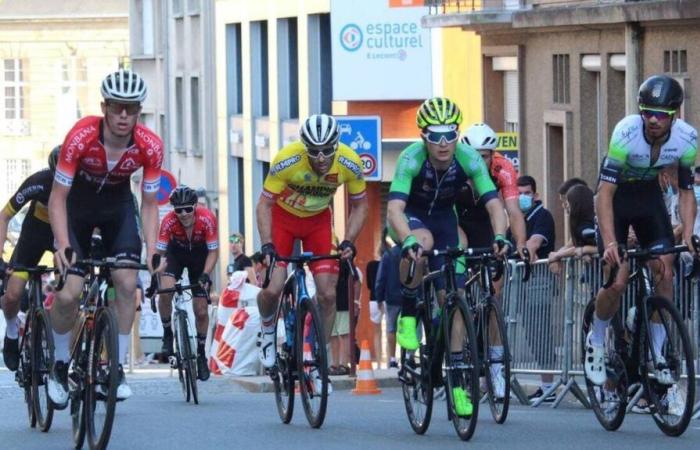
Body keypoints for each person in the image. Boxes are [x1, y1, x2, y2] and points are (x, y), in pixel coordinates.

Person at [47, 69, 164, 406]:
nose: (124, 116)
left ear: (139, 111)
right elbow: (57, 197)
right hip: (78, 207)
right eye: (116, 107)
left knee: (127, 284)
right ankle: (57, 364)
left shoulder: (150, 146)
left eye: (131, 108)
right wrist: (62, 244)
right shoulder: (81, 136)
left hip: (118, 208)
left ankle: (114, 366)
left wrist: (154, 249)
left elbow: (150, 202)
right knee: (69, 293)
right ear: (104, 107)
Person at [387, 97, 509, 416]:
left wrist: (500, 236)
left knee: (455, 301)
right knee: (422, 243)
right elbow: (394, 209)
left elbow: (494, 204)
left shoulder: (469, 158)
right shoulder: (410, 159)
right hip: (412, 217)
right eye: (435, 135)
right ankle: (410, 313)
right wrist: (408, 239)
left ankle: (458, 386)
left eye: (450, 134)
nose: (443, 143)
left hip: (445, 221)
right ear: (423, 136)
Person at [586, 75, 697, 387]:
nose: (652, 120)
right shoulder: (626, 132)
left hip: (648, 196)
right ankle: (595, 339)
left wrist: (688, 234)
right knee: (617, 280)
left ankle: (658, 351)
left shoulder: (687, 139)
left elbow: (687, 191)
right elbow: (603, 194)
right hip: (617, 197)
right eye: (646, 112)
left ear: (675, 114)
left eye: (660, 115)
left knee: (666, 272)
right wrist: (609, 241)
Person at [255, 113, 368, 392]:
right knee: (272, 289)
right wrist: (268, 243)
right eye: (313, 152)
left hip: (318, 223)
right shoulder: (287, 159)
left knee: (328, 294)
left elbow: (361, 205)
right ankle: (268, 331)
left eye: (327, 151)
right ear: (304, 148)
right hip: (283, 220)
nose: (320, 158)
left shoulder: (349, 162)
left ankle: (319, 357)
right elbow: (264, 206)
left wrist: (349, 241)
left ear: (337, 145)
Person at [0, 147, 60, 370]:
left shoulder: (81, 185)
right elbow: (4, 216)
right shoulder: (38, 182)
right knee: (13, 293)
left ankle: (55, 338)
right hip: (32, 237)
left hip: (60, 237)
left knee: (67, 290)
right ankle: (12, 332)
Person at [156, 186, 219, 381]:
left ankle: (201, 354)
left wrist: (206, 275)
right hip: (175, 254)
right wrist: (154, 276)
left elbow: (213, 252)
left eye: (188, 209)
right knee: (165, 290)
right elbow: (159, 253)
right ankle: (167, 332)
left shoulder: (207, 218)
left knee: (201, 310)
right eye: (178, 210)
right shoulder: (168, 222)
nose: (183, 214)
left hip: (199, 257)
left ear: (195, 206)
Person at [510, 175, 557, 402]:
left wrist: (527, 250)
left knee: (541, 332)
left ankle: (549, 386)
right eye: (518, 193)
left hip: (538, 280)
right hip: (519, 281)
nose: (522, 197)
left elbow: (534, 243)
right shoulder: (514, 218)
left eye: (527, 193)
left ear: (535, 195)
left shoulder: (542, 216)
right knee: (527, 332)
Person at [548, 184, 598, 274]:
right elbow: (572, 246)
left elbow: (603, 246)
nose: (565, 206)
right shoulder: (585, 224)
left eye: (567, 202)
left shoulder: (586, 226)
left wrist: (584, 250)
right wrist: (555, 256)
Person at [375, 231, 402, 369]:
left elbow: (381, 279)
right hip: (409, 296)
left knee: (391, 328)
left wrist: (379, 298)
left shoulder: (388, 255)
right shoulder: (411, 253)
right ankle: (408, 356)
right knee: (410, 328)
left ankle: (392, 358)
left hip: (391, 297)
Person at [329, 261, 362, 376]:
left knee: (344, 335)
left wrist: (356, 302)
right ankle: (335, 364)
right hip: (331, 305)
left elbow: (357, 282)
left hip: (343, 304)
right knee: (333, 335)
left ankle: (344, 364)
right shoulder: (327, 262)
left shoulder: (346, 263)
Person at [365, 256, 382, 363]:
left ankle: (379, 362)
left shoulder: (370, 265)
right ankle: (390, 361)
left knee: (377, 332)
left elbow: (369, 285)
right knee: (390, 331)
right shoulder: (390, 260)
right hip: (387, 298)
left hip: (374, 298)